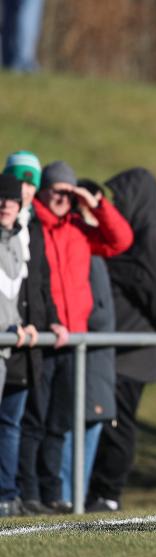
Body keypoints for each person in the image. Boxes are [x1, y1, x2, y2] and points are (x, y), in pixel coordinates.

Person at [21, 161, 131, 514]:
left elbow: (120, 240)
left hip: (73, 339)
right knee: (33, 422)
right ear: (43, 190)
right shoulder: (32, 224)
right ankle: (28, 492)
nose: (61, 198)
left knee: (59, 423)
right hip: (42, 337)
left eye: (67, 193)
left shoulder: (78, 228)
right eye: (56, 190)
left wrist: (93, 203)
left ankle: (52, 493)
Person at [87, 168, 156, 512]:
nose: (116, 204)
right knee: (111, 421)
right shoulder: (139, 235)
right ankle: (100, 491)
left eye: (120, 197)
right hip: (121, 348)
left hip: (132, 351)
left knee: (118, 423)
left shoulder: (150, 238)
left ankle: (108, 494)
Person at [0, 173, 39, 517]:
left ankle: (7, 494)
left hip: (9, 346)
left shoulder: (16, 240)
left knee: (12, 423)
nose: (5, 205)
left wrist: (18, 325)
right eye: (1, 199)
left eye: (11, 200)